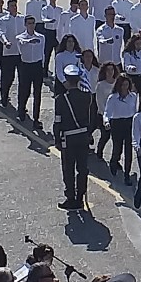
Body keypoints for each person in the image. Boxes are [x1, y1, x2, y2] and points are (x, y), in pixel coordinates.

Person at [54, 64, 96, 210]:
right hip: (83, 135)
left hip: (68, 138)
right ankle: (80, 196)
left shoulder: (61, 99)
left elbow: (57, 122)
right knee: (82, 168)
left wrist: (57, 140)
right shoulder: (86, 96)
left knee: (68, 169)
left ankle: (70, 197)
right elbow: (91, 118)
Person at [103, 74, 137, 186]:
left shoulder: (133, 96)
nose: (124, 88)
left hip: (129, 123)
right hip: (117, 124)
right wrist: (106, 122)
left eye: (126, 85)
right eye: (122, 85)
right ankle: (114, 162)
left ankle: (127, 174)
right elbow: (107, 112)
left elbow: (136, 112)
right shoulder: (113, 98)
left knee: (128, 151)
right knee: (117, 148)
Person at [16, 15, 45, 127]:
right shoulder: (20, 37)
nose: (31, 25)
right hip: (26, 66)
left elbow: (42, 52)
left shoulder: (41, 37)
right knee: (25, 91)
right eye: (29, 23)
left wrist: (42, 66)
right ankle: (21, 111)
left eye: (33, 23)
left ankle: (36, 118)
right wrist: (29, 41)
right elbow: (21, 43)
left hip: (37, 66)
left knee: (37, 93)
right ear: (25, 25)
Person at [0, 0, 24, 107]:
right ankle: (4, 96)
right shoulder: (3, 20)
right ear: (8, 8)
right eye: (12, 6)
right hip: (8, 53)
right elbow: (1, 33)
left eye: (15, 5)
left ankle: (21, 104)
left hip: (20, 53)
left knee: (22, 78)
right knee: (8, 76)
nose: (14, 7)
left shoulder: (22, 18)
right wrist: (5, 42)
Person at [94, 62, 119, 159]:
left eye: (112, 70)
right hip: (103, 115)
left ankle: (115, 159)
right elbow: (100, 102)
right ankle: (99, 151)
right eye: (108, 70)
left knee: (116, 140)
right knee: (105, 136)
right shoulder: (100, 85)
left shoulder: (117, 83)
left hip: (116, 115)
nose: (110, 72)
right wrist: (106, 116)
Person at [41, 0, 62, 76]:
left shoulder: (59, 9)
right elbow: (43, 18)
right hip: (48, 33)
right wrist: (50, 20)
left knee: (58, 54)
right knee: (47, 53)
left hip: (57, 32)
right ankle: (44, 71)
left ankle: (58, 72)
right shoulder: (45, 9)